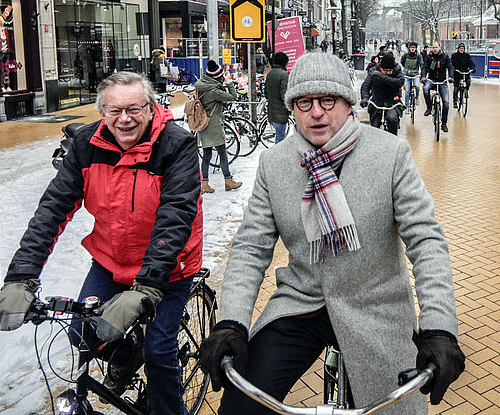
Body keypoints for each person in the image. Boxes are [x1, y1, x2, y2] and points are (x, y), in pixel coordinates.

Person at [198, 52, 464, 415]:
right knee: (242, 405)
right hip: (302, 303)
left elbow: (426, 240)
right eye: (305, 102)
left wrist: (439, 327)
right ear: (293, 107)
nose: (317, 112)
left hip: (375, 307)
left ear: (348, 103)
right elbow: (250, 247)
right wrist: (231, 323)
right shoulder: (275, 164)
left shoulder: (390, 155)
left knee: (393, 409)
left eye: (328, 100)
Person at [0, 71, 203, 415]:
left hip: (168, 268)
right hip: (111, 259)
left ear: (150, 109)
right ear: (102, 112)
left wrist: (147, 288)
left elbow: (175, 217)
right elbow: (52, 211)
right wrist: (21, 277)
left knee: (158, 353)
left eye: (134, 109)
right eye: (114, 111)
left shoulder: (176, 145)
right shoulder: (86, 144)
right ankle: (122, 359)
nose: (125, 119)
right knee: (82, 333)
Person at [196, 61, 242, 193]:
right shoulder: (213, 91)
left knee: (207, 155)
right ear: (217, 77)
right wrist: (228, 82)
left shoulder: (201, 85)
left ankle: (204, 184)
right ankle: (228, 181)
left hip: (204, 124)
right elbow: (233, 97)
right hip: (214, 126)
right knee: (222, 153)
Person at [361, 52, 405, 135]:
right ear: (381, 68)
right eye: (386, 71)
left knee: (392, 119)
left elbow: (400, 82)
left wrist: (383, 77)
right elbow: (365, 86)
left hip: (392, 102)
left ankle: (393, 141)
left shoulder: (397, 70)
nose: (388, 72)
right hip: (377, 102)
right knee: (374, 128)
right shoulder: (373, 71)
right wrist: (365, 97)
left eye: (390, 71)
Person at [421, 41, 454, 132]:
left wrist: (451, 77)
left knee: (446, 103)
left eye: (436, 47)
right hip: (432, 80)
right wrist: (423, 76)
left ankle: (444, 123)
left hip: (442, 81)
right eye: (433, 47)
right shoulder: (429, 57)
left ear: (440, 48)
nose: (434, 49)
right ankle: (429, 107)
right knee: (425, 88)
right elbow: (424, 67)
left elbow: (450, 67)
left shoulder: (445, 57)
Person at [264, 52, 290, 143]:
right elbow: (285, 95)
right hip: (281, 112)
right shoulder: (284, 75)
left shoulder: (270, 73)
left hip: (272, 111)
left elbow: (266, 92)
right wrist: (290, 107)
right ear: (285, 62)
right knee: (280, 139)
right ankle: (277, 157)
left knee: (279, 136)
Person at [450, 43, 476, 108]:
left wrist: (473, 68)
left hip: (465, 72)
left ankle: (466, 90)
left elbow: (471, 63)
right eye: (460, 48)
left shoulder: (467, 56)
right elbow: (451, 64)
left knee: (468, 81)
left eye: (463, 48)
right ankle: (455, 101)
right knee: (456, 88)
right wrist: (454, 69)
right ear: (458, 49)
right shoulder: (454, 56)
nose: (461, 50)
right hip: (457, 73)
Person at [400, 41, 423, 112]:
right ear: (409, 48)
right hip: (407, 75)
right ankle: (407, 106)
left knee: (417, 86)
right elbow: (402, 62)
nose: (412, 49)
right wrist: (405, 70)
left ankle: (417, 97)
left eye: (414, 47)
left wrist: (422, 71)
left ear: (416, 48)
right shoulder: (405, 55)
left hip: (415, 74)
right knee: (407, 91)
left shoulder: (418, 56)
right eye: (411, 47)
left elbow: (421, 64)